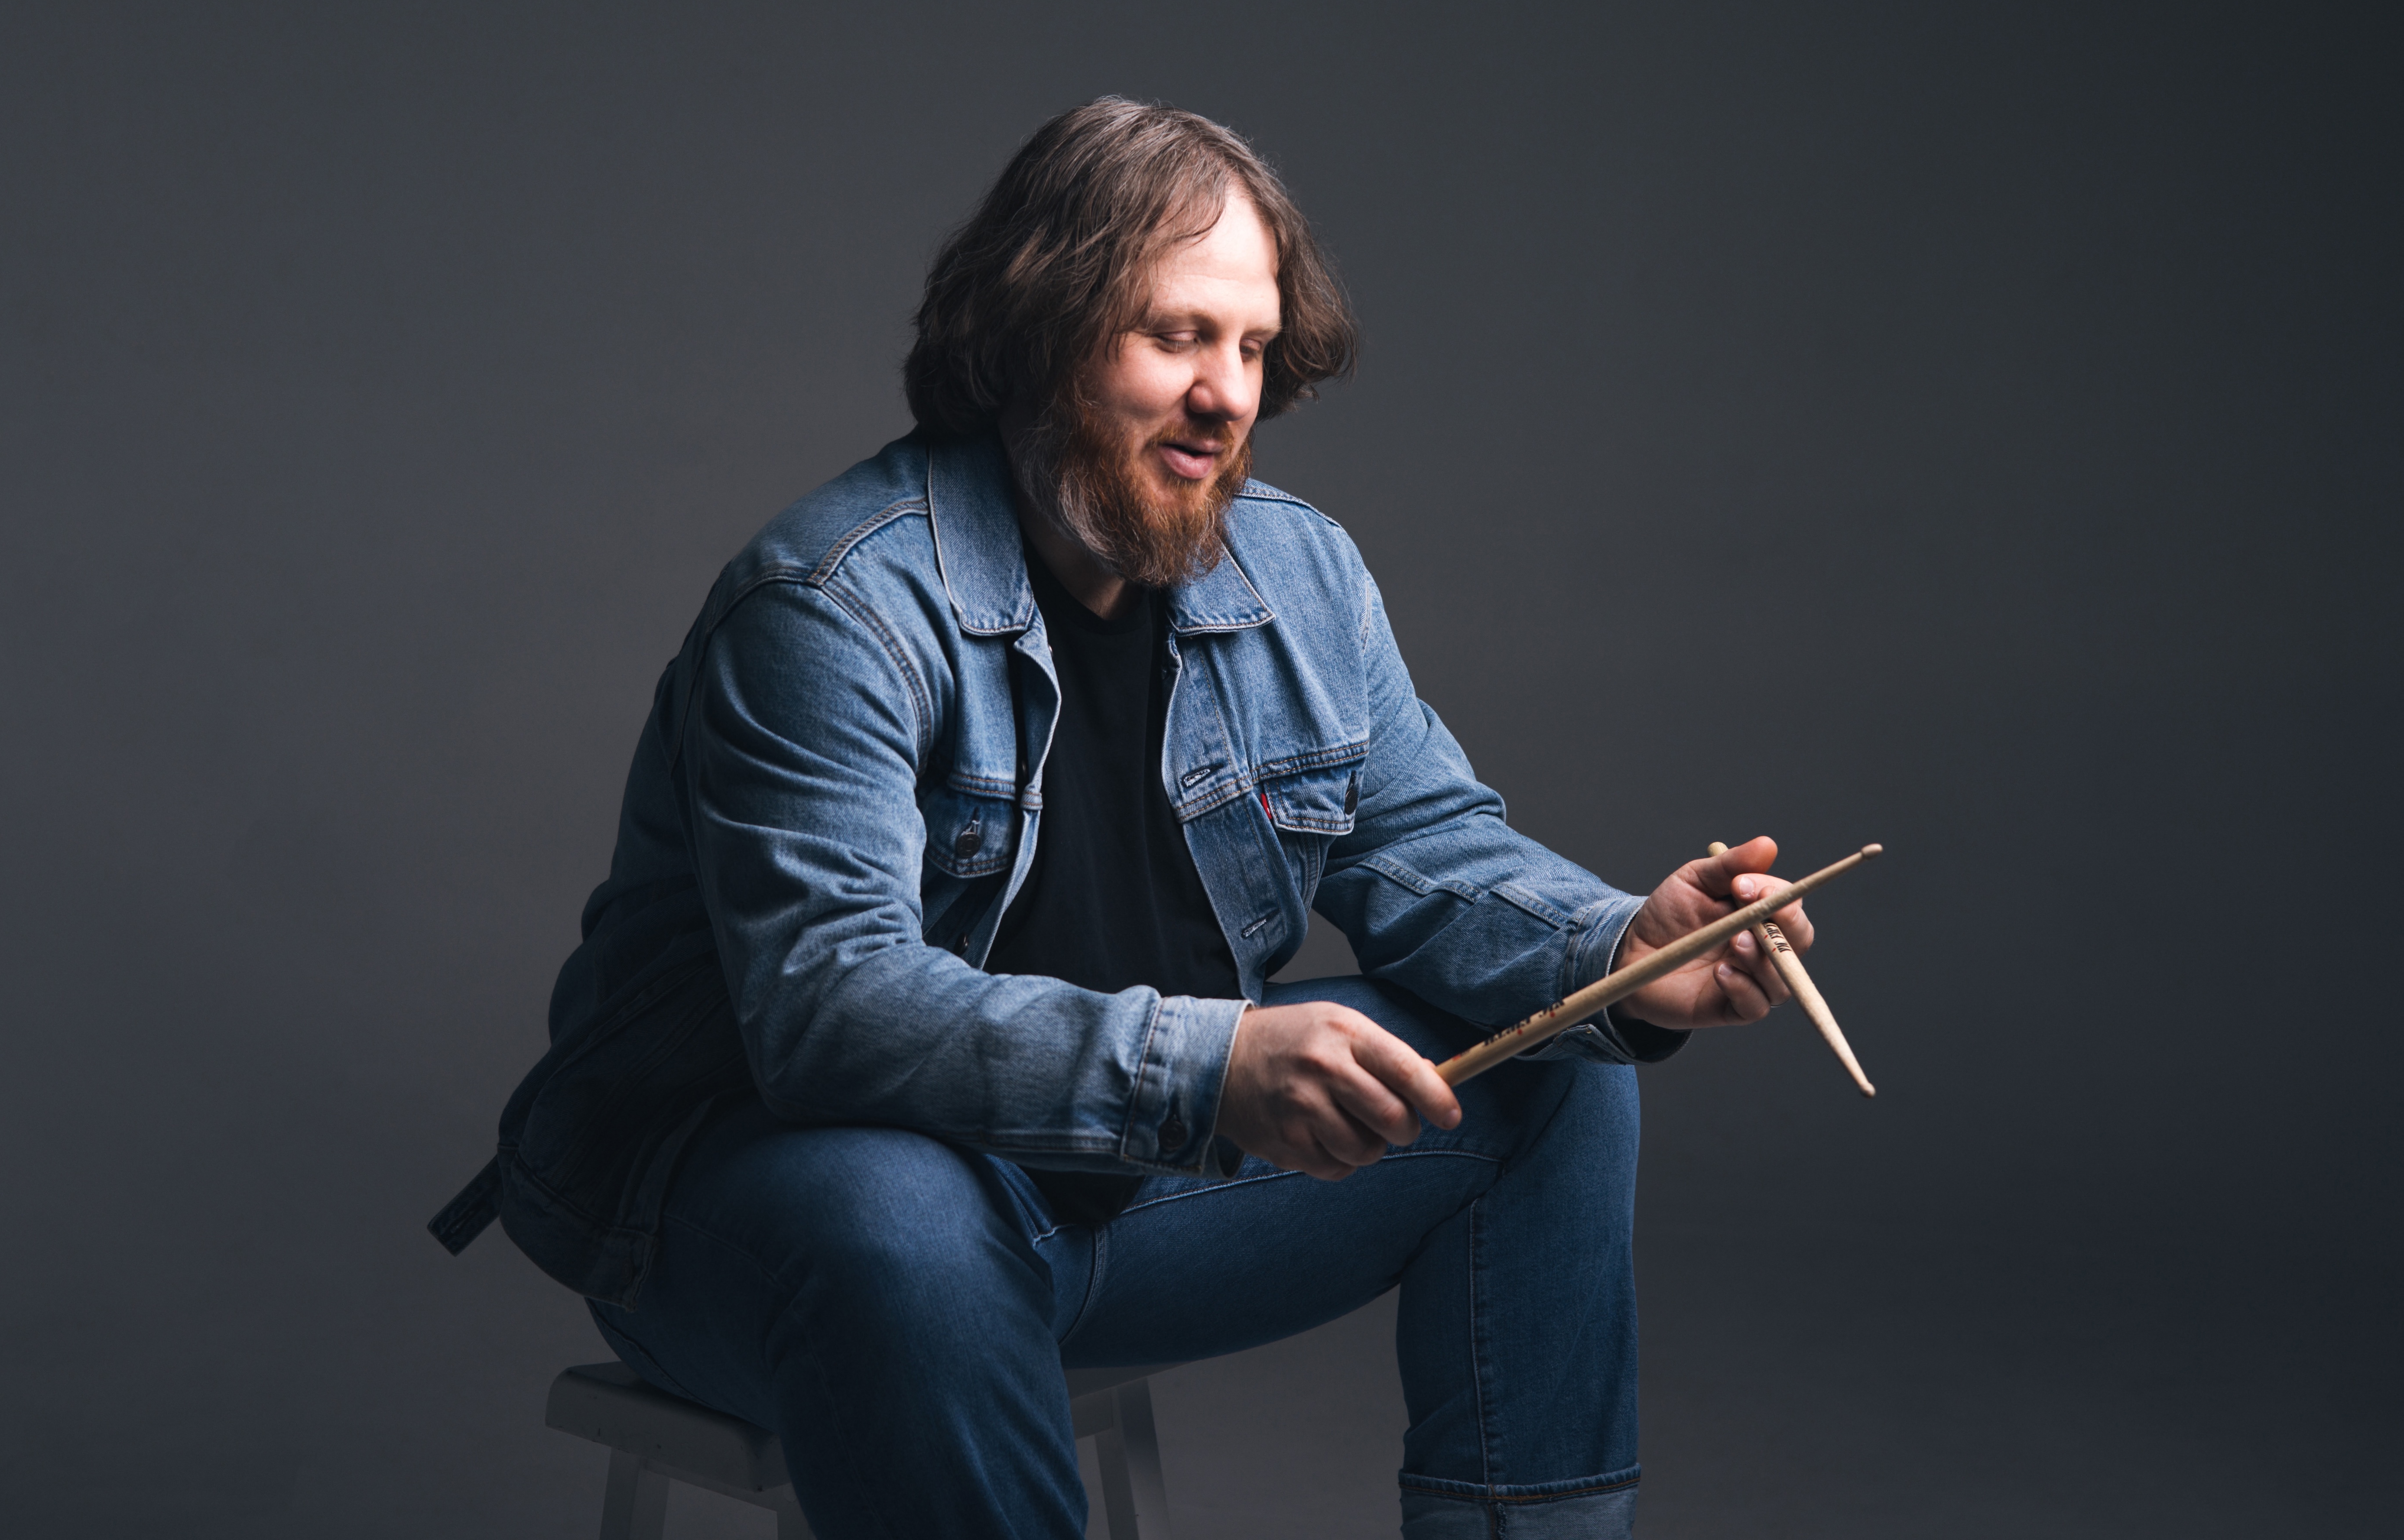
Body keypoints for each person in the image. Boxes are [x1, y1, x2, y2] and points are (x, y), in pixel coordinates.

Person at [429, 97, 1819, 1538]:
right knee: (901, 1218)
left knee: (1565, 1068)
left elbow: (1430, 851)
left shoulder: (1300, 578)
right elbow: (829, 1010)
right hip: (749, 1216)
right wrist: (1212, 1065)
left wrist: (1626, 946)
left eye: (1254, 346)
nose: (1228, 395)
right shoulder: (832, 604)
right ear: (1033, 332)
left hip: (1113, 1193)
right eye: (1176, 336)